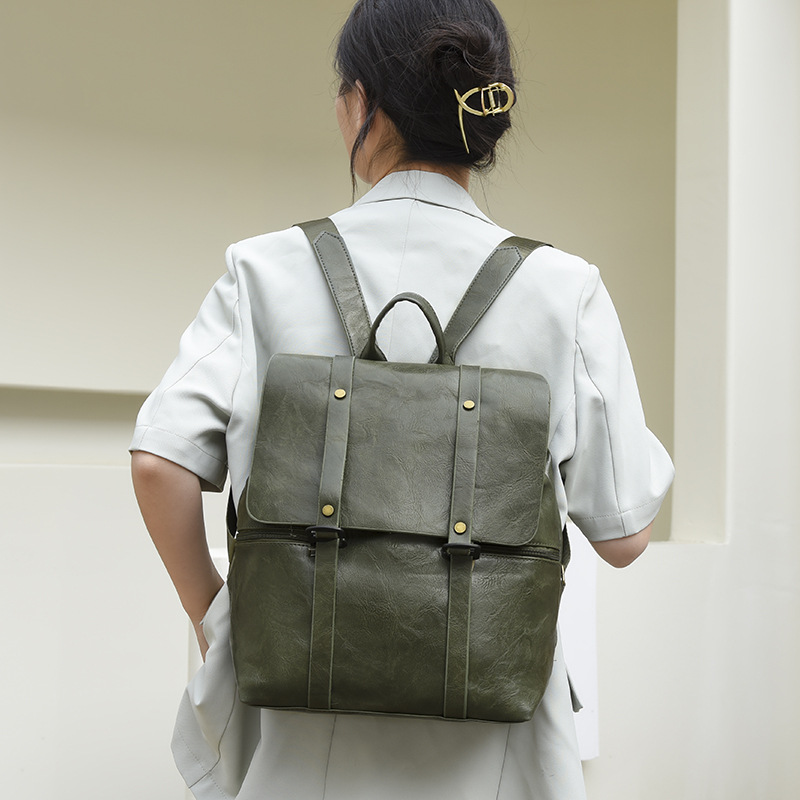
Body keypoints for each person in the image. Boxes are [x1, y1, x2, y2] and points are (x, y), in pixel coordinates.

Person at [130, 1, 674, 797]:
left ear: (361, 104)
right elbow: (625, 535)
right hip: (498, 751)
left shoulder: (263, 270)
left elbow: (159, 464)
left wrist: (221, 620)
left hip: (298, 750)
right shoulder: (566, 290)